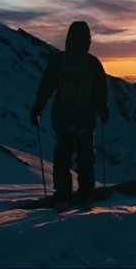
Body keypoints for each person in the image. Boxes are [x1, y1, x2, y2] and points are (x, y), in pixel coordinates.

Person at [30, 21, 109, 205]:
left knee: (63, 154)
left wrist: (37, 109)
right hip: (85, 117)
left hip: (63, 116)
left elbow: (46, 87)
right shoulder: (92, 63)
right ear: (88, 40)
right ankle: (86, 193)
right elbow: (101, 91)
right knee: (86, 156)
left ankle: (62, 194)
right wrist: (104, 110)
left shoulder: (60, 61)